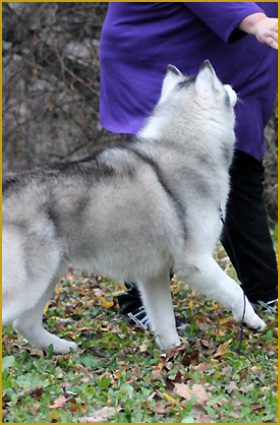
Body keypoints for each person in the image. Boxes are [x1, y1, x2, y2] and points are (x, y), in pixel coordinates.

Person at [99, 3, 278, 329]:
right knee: (158, 182)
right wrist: (256, 21)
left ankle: (264, 291)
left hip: (232, 58)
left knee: (242, 167)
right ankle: (139, 301)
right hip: (161, 47)